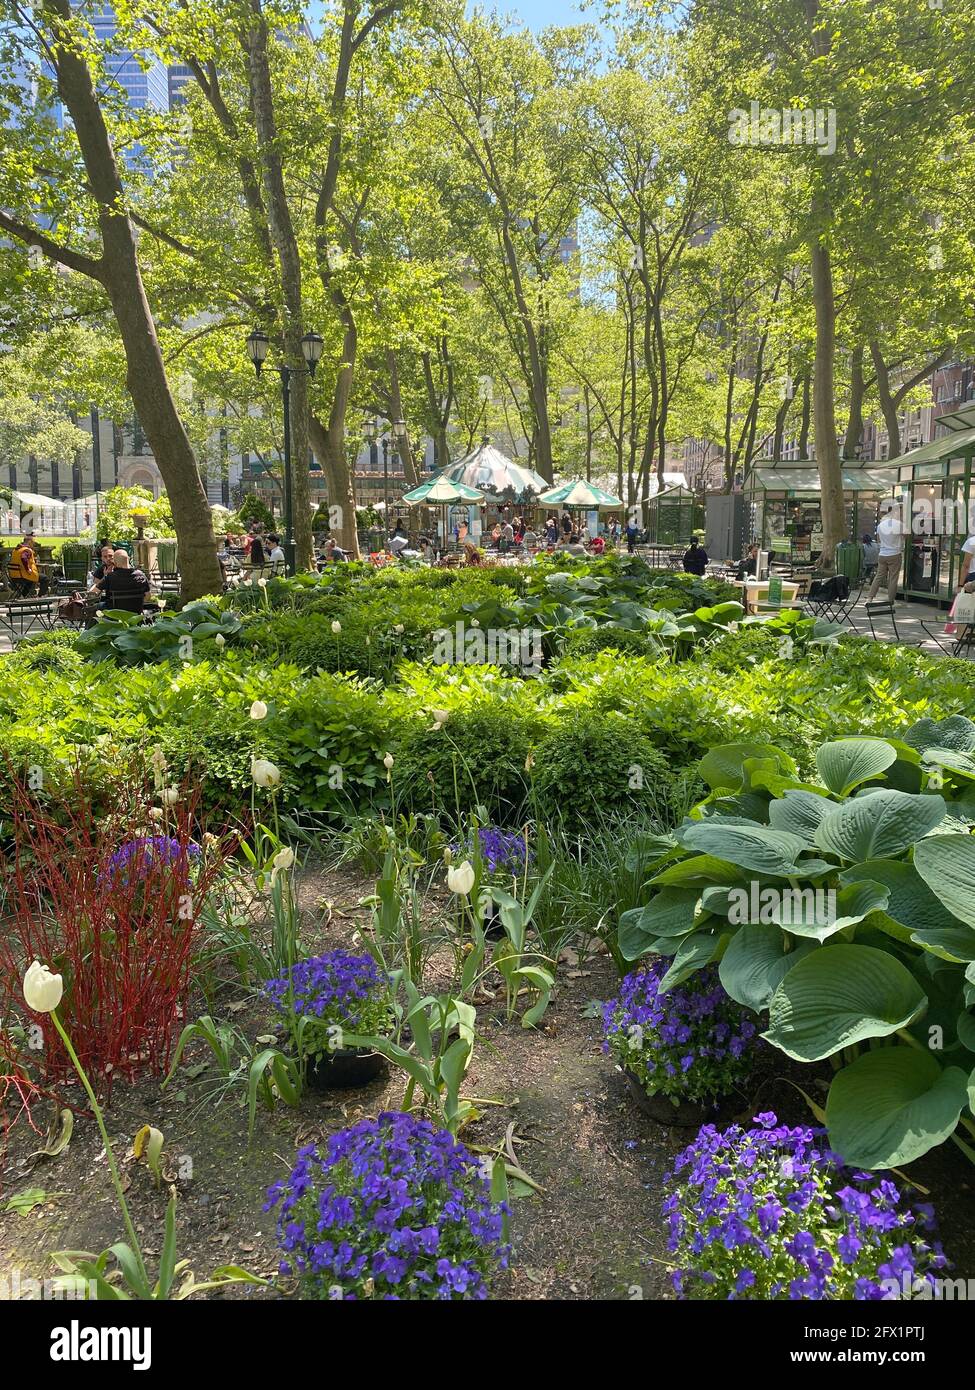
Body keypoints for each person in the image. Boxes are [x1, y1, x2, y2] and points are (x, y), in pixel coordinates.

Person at [867, 502, 905, 604]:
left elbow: (879, 540)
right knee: (893, 578)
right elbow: (907, 536)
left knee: (879, 576)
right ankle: (891, 600)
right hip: (894, 554)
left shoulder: (880, 525)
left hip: (882, 554)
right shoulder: (899, 524)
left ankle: (870, 598)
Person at [8, 533, 40, 597]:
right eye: (33, 542)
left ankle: (23, 595)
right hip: (23, 575)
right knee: (44, 578)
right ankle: (40, 596)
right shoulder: (26, 550)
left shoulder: (16, 550)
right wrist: (28, 569)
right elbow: (23, 558)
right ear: (29, 541)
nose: (33, 544)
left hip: (13, 576)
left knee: (33, 579)